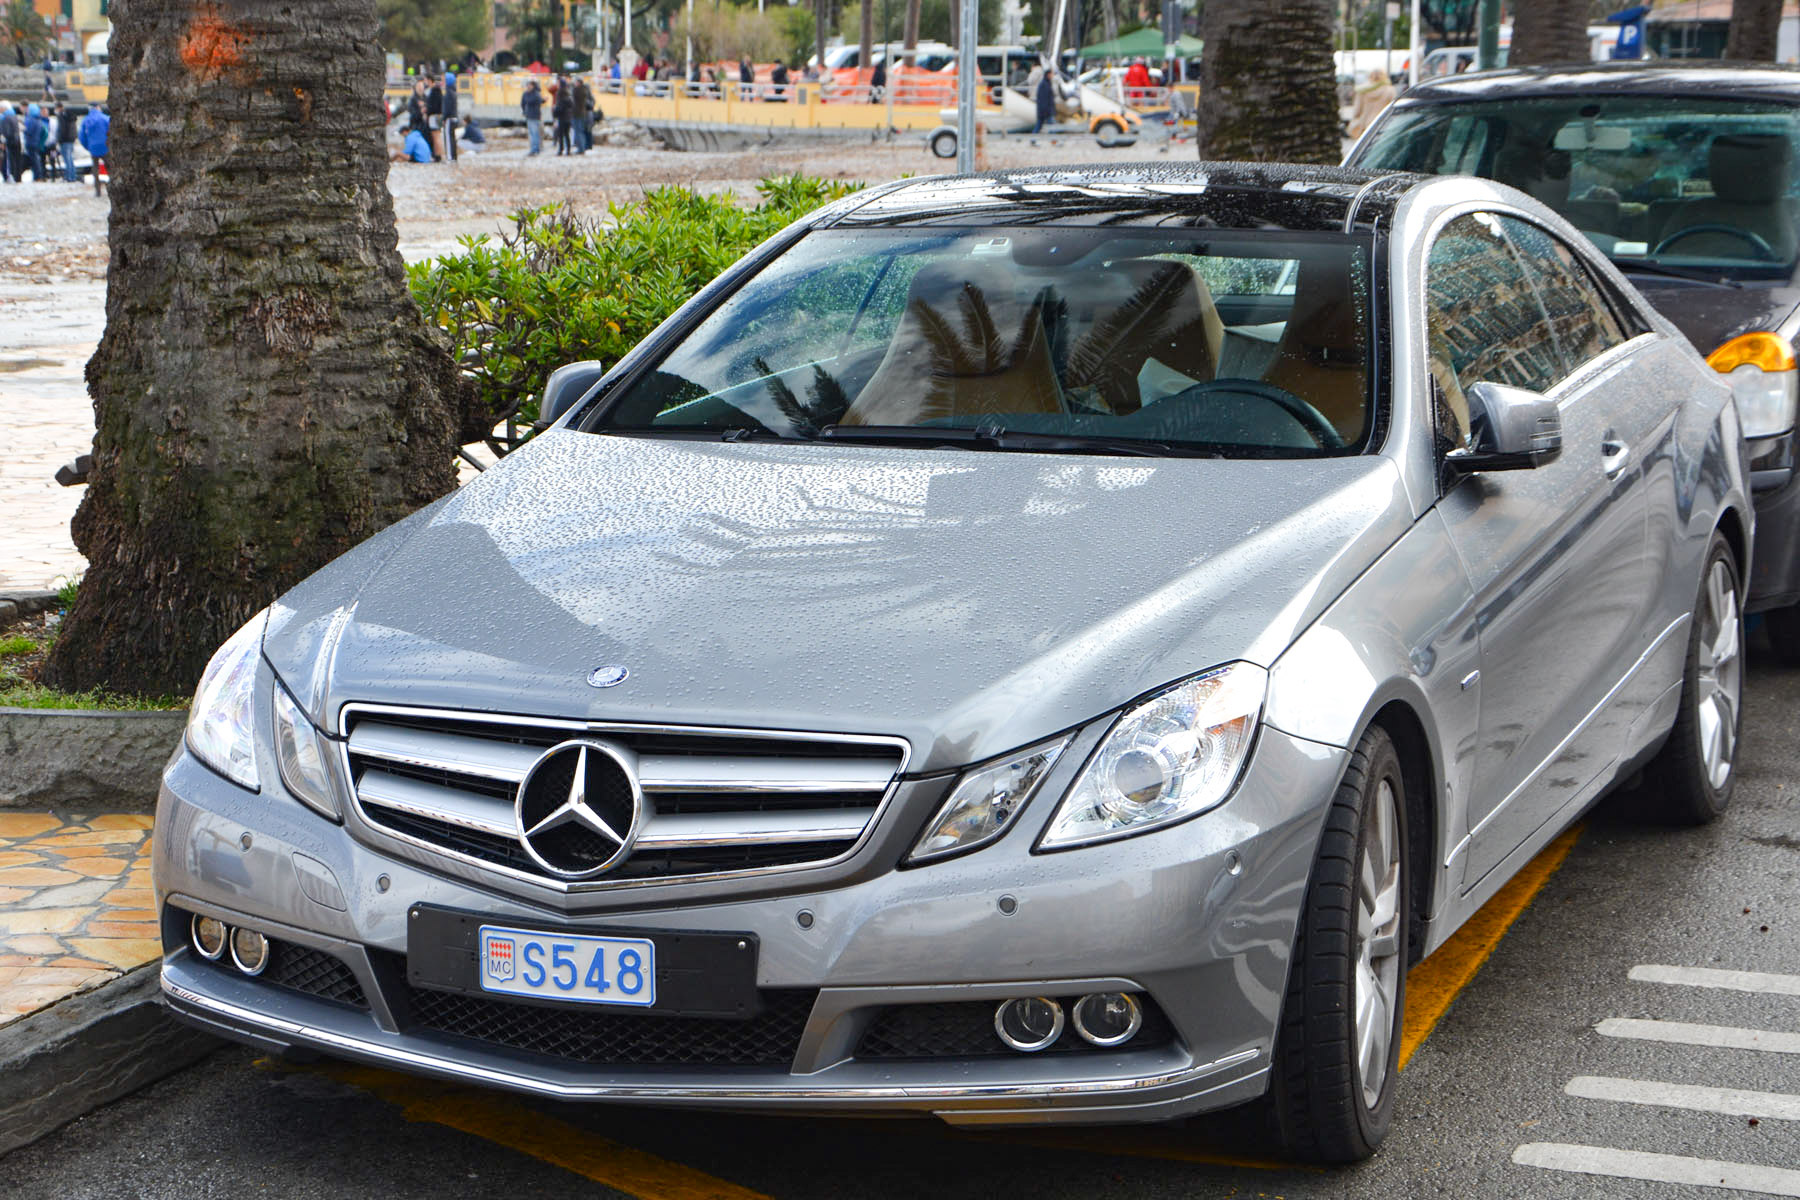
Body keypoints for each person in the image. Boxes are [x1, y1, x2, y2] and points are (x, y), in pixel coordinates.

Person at [1346, 69, 1396, 139]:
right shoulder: (1390, 90)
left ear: (1370, 77)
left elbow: (1357, 111)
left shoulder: (1362, 90)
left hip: (1365, 125)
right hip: (1384, 123)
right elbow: (1393, 108)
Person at [78, 103, 107, 194]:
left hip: (93, 148)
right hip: (106, 147)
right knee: (110, 168)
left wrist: (88, 146)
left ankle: (97, 190)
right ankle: (113, 187)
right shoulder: (105, 118)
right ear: (98, 108)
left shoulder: (85, 120)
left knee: (95, 168)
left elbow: (82, 137)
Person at [23, 103, 48, 182]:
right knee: (36, 160)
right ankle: (38, 176)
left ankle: (37, 176)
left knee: (34, 161)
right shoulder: (39, 119)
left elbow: (28, 131)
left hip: (31, 142)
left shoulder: (31, 120)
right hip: (36, 142)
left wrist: (22, 129)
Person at [55, 102, 77, 183]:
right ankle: (73, 176)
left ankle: (69, 177)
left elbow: (61, 129)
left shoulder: (62, 116)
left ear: (58, 108)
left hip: (65, 140)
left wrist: (59, 139)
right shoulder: (70, 115)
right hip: (71, 139)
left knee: (67, 159)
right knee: (70, 159)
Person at [520, 79, 543, 155]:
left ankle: (535, 149)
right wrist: (524, 111)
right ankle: (534, 148)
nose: (528, 87)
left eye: (529, 85)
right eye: (527, 85)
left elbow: (530, 101)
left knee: (534, 133)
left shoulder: (536, 94)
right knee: (532, 133)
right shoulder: (526, 94)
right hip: (529, 115)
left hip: (535, 115)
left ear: (533, 86)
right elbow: (522, 103)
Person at [551, 74, 573, 155]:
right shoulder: (568, 94)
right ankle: (568, 150)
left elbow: (560, 107)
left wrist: (555, 112)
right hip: (568, 116)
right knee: (567, 134)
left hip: (562, 116)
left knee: (561, 134)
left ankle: (561, 149)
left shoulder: (560, 94)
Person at [425, 73, 444, 159]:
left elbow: (434, 105)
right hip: (436, 116)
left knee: (436, 136)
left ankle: (438, 154)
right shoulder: (436, 90)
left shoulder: (435, 90)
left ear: (429, 80)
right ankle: (438, 154)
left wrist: (427, 111)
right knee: (436, 135)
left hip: (434, 116)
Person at [1033, 64, 1056, 135]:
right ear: (1048, 74)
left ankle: (1033, 138)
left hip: (1043, 110)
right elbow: (1044, 99)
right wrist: (1046, 110)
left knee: (1039, 125)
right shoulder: (1045, 84)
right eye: (1051, 74)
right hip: (1045, 110)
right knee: (1051, 126)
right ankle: (1054, 140)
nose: (1052, 76)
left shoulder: (1046, 83)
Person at [0, 102, 20, 183]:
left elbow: (5, 132)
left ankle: (10, 177)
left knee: (9, 161)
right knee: (15, 160)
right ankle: (16, 177)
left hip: (9, 142)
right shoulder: (14, 116)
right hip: (16, 141)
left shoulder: (5, 117)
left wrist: (2, 142)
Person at [442, 70, 459, 162]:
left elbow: (447, 108)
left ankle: (449, 157)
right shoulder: (454, 91)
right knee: (452, 138)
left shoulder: (448, 93)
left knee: (448, 138)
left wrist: (444, 118)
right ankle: (454, 156)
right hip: (454, 117)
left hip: (449, 118)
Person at [572, 75, 591, 151]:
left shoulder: (577, 91)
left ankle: (580, 148)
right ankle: (581, 147)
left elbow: (573, 101)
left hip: (577, 113)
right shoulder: (584, 90)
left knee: (578, 131)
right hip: (582, 113)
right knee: (580, 131)